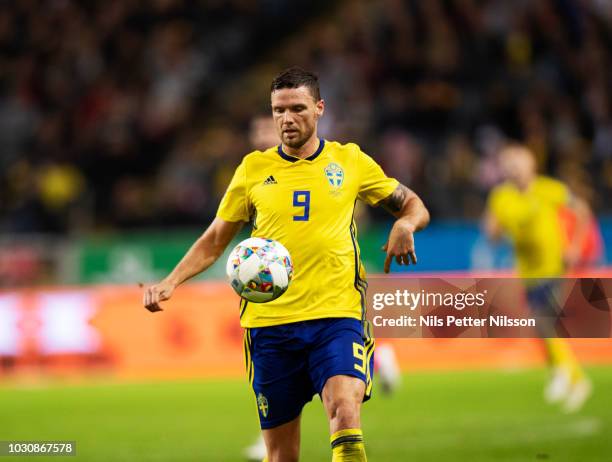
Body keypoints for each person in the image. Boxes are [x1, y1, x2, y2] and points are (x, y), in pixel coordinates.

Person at [143, 66, 429, 462]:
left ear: (319, 109)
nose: (286, 118)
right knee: (280, 455)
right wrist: (171, 281)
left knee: (344, 411)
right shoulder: (252, 170)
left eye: (297, 108)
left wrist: (405, 223)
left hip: (336, 315)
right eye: (278, 110)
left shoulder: (350, 161)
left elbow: (413, 203)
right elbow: (214, 240)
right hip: (269, 327)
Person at [483, 143, 593, 413]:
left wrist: (576, 245)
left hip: (553, 266)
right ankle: (562, 372)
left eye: (518, 162)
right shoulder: (501, 197)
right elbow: (492, 233)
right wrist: (496, 230)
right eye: (508, 164)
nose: (513, 168)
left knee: (544, 321)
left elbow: (582, 211)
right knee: (541, 325)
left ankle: (573, 379)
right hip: (527, 272)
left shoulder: (549, 189)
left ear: (531, 164)